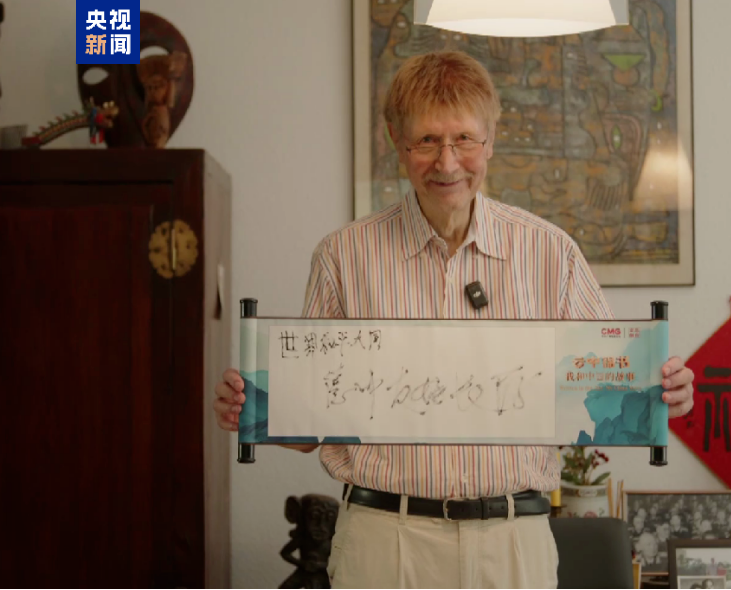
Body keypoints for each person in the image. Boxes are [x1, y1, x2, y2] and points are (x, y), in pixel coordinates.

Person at [214, 50, 695, 589]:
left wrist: (663, 391)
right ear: (396, 140)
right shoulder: (343, 256)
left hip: (513, 543)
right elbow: (311, 422)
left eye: (464, 138)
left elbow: (608, 392)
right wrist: (257, 404)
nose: (447, 163)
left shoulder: (550, 252)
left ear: (490, 139)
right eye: (426, 140)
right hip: (384, 540)